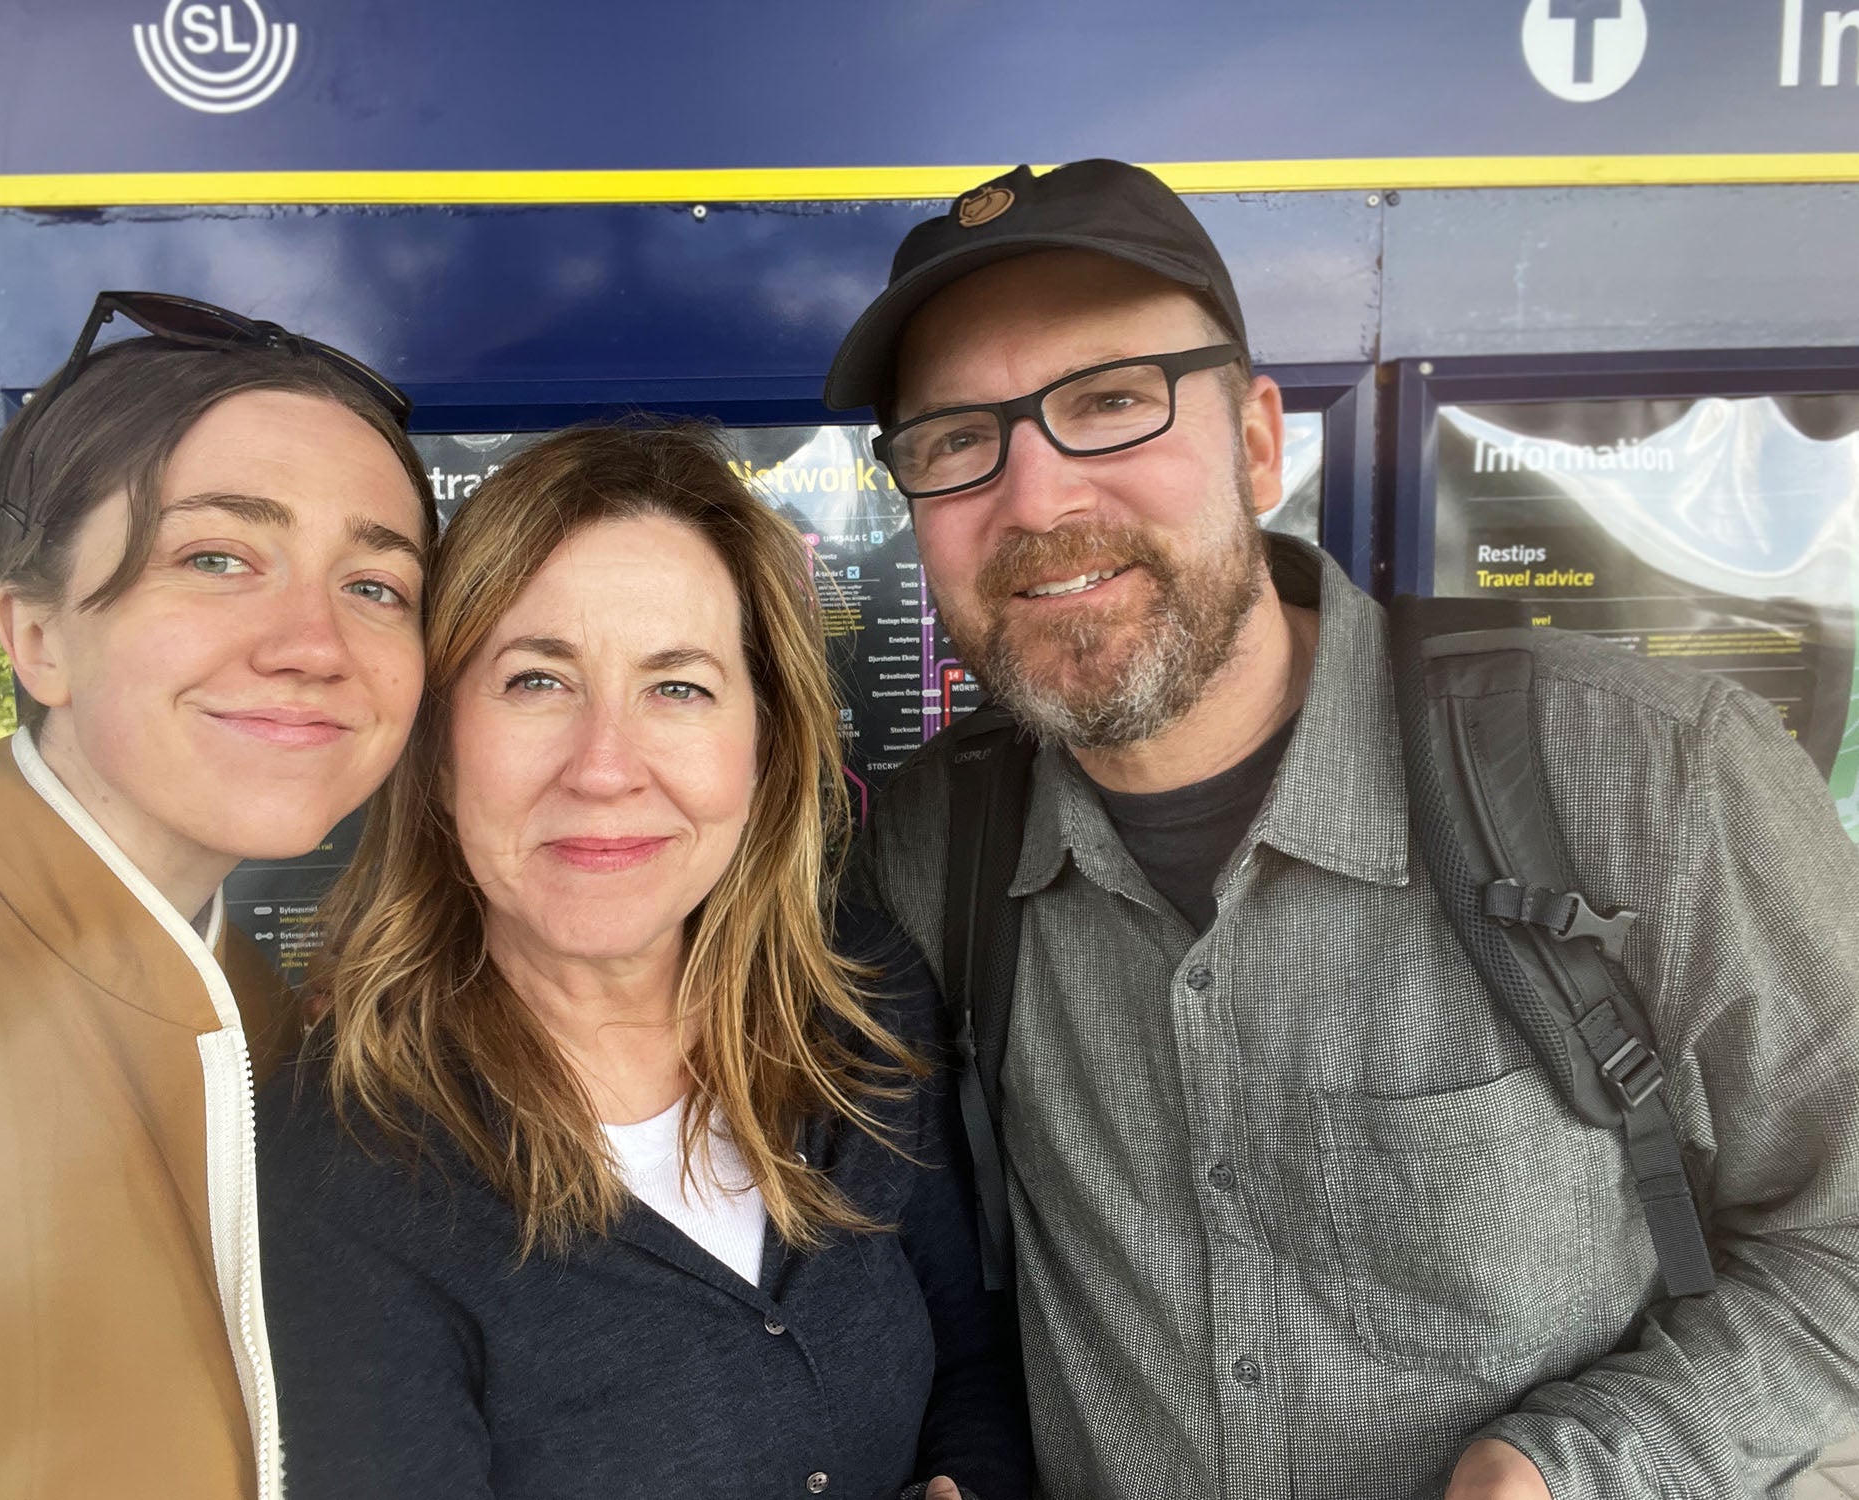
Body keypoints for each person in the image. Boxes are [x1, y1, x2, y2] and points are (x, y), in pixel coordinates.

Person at [825, 160, 1859, 1500]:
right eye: (957, 440)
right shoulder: (926, 855)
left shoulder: (1644, 776)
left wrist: (1572, 1470)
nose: (1035, 499)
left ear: (1259, 440)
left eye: (1111, 403)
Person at [258, 422, 1031, 1500]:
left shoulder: (854, 1001)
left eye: (678, 687)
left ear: (765, 748)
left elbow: (974, 1364)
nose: (606, 767)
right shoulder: (345, 1159)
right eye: (535, 681)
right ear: (435, 751)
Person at [0, 292, 435, 1500]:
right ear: (38, 638)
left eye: (376, 586)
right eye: (217, 557)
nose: (314, 642)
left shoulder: (258, 1016)